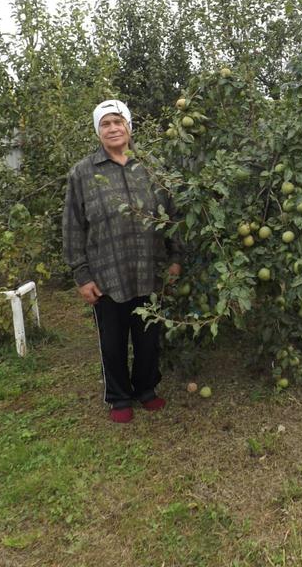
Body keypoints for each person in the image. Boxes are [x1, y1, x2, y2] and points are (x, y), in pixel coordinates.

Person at [63, 99, 182, 423]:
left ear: (129, 127)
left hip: (149, 268)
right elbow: (74, 225)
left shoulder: (151, 166)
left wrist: (174, 257)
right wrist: (82, 274)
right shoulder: (83, 173)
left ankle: (146, 389)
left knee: (148, 337)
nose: (113, 128)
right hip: (107, 273)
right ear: (98, 131)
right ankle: (118, 397)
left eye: (119, 121)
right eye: (106, 123)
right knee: (113, 341)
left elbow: (171, 215)